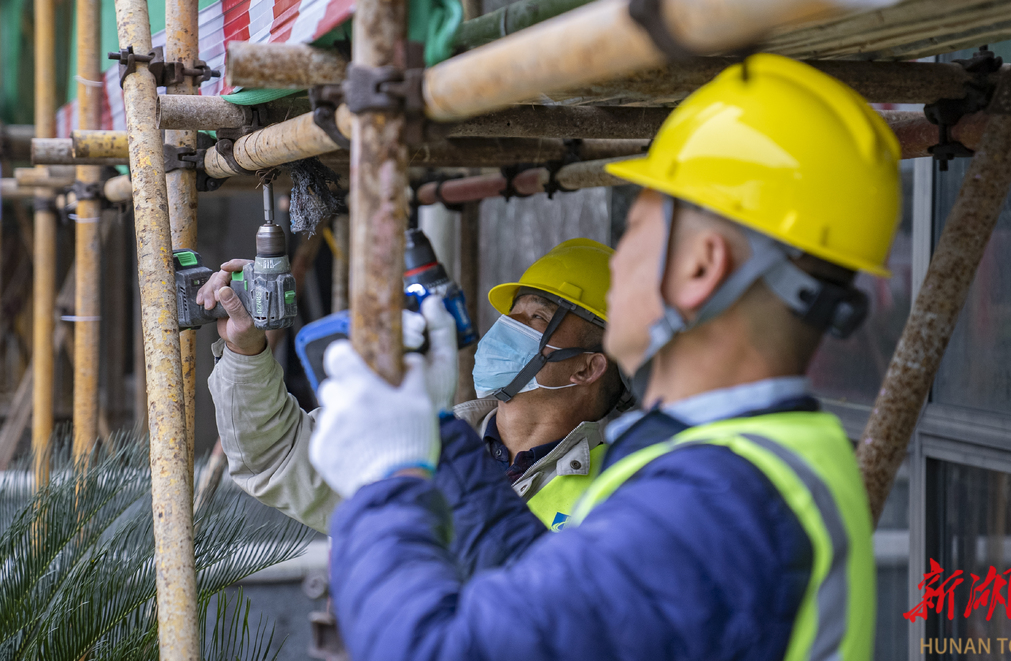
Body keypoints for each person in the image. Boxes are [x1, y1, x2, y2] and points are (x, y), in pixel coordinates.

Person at [308, 54, 901, 660]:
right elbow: (551, 587)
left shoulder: (716, 502)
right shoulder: (738, 461)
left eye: (635, 232)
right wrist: (432, 436)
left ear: (701, 268)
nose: (618, 273)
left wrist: (389, 481)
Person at [202, 237, 625, 533]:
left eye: (535, 318)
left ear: (586, 369)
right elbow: (274, 456)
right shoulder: (413, 440)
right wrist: (244, 350)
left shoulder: (624, 488)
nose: (503, 329)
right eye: (510, 315)